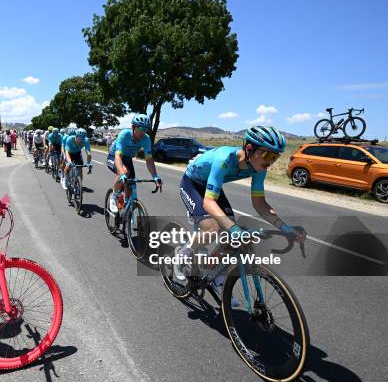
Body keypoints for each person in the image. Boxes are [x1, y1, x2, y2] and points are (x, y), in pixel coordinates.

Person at [176, 126, 307, 303]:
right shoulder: (225, 159)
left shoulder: (259, 168)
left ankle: (214, 275)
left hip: (211, 187)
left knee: (231, 237)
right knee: (213, 229)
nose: (271, 161)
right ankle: (183, 253)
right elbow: (208, 203)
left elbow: (260, 204)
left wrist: (286, 228)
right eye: (268, 155)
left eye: (276, 157)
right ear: (250, 149)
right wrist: (234, 229)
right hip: (192, 183)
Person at [107, 114, 162, 212]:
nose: (143, 132)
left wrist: (155, 176)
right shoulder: (125, 135)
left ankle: (126, 209)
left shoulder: (146, 139)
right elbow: (118, 156)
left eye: (146, 129)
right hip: (114, 156)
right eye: (140, 128)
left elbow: (149, 159)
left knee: (130, 184)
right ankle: (114, 196)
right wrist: (122, 174)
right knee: (125, 172)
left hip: (127, 159)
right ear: (133, 127)